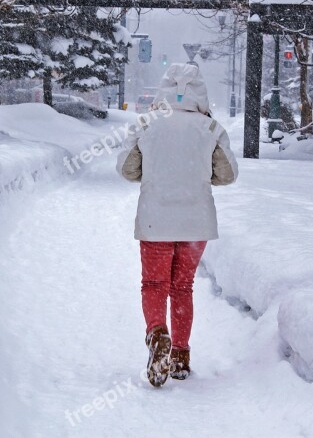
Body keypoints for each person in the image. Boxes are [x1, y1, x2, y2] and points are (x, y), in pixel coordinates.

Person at [117, 63, 238, 387]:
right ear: (200, 91)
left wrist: (156, 171)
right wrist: (198, 175)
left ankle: (157, 335)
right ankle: (181, 357)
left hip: (157, 219)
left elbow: (127, 170)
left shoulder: (147, 124)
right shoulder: (209, 128)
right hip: (195, 222)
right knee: (182, 287)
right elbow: (228, 175)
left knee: (154, 284)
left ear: (164, 89)